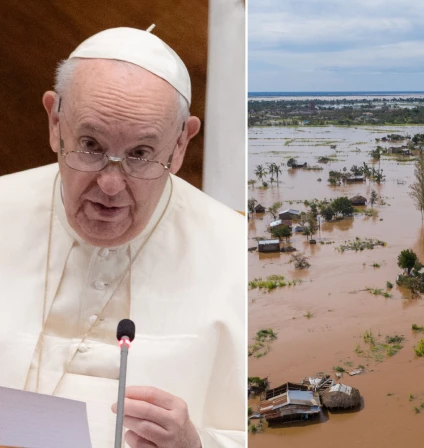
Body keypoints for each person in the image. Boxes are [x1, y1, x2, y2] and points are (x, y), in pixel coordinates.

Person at [0, 27, 244, 448]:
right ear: (55, 122)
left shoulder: (239, 254)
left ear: (181, 143)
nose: (111, 184)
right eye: (91, 145)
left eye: (139, 155)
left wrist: (196, 444)